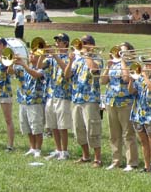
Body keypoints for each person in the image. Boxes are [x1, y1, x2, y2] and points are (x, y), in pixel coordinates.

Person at [64, 34, 103, 166]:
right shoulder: (77, 60)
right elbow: (67, 75)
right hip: (77, 98)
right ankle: (85, 155)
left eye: (85, 42)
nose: (81, 44)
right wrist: (70, 61)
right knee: (78, 128)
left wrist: (86, 55)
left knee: (93, 128)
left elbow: (94, 70)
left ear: (91, 45)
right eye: (81, 42)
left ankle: (97, 158)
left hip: (91, 99)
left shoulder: (97, 58)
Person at [101, 42, 139, 171]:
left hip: (126, 103)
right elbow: (102, 81)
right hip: (111, 101)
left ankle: (131, 162)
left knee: (128, 133)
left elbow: (126, 78)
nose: (119, 53)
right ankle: (116, 160)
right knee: (114, 133)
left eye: (123, 51)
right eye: (119, 51)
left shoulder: (134, 65)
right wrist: (107, 66)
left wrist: (122, 61)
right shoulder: (113, 64)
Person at [44, 33, 74, 160]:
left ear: (66, 43)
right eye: (56, 40)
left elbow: (67, 73)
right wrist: (42, 52)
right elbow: (40, 66)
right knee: (53, 124)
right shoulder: (51, 58)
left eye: (59, 41)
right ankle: (58, 149)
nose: (56, 43)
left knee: (62, 125)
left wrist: (55, 55)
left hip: (63, 94)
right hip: (51, 93)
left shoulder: (70, 57)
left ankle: (65, 151)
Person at [11, 53, 46, 158]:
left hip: (36, 101)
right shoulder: (23, 68)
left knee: (36, 127)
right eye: (30, 54)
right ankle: (32, 147)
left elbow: (35, 74)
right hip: (23, 101)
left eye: (34, 54)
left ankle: (38, 149)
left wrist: (23, 64)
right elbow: (10, 72)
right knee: (27, 127)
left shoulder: (42, 68)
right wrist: (10, 63)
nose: (31, 56)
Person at [130, 58, 151, 173]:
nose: (146, 68)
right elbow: (132, 92)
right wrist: (131, 80)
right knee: (143, 141)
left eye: (149, 66)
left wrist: (145, 76)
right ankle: (147, 166)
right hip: (139, 112)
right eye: (145, 65)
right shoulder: (139, 79)